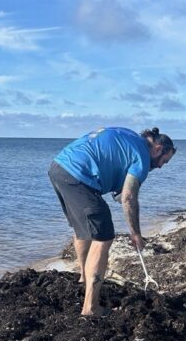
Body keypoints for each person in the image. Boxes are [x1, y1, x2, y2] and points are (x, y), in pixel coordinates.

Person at [49, 126, 176, 316]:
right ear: (158, 148)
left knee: (83, 230)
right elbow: (128, 198)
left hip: (59, 168)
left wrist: (124, 196)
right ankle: (91, 307)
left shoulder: (130, 136)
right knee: (104, 238)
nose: (160, 166)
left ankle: (84, 278)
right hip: (79, 176)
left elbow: (119, 188)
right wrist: (135, 234)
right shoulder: (142, 157)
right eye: (163, 161)